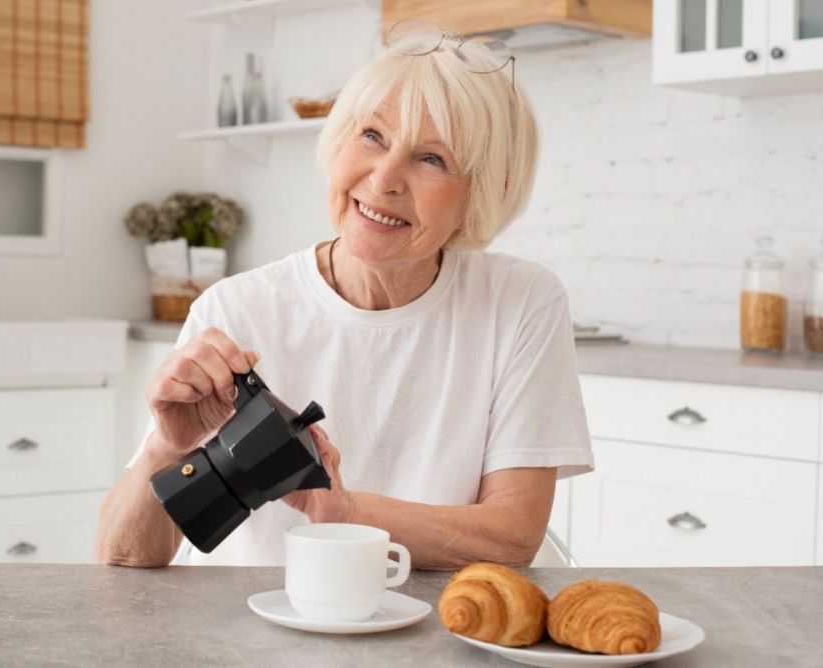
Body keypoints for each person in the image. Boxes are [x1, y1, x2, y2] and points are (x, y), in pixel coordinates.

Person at [95, 20, 593, 570]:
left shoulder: (520, 303)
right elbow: (122, 561)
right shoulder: (234, 310)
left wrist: (343, 509)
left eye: (432, 159)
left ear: (483, 194)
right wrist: (168, 448)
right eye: (372, 136)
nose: (383, 179)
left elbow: (512, 537)